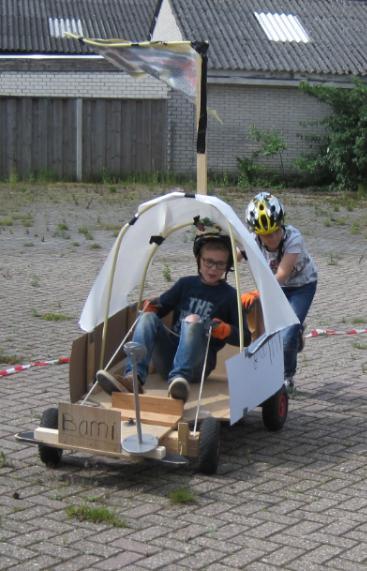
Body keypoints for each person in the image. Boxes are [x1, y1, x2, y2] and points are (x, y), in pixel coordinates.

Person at [98, 219, 251, 403]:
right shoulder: (185, 284)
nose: (213, 269)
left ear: (228, 266)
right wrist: (153, 306)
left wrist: (225, 330)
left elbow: (245, 338)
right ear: (198, 259)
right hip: (168, 358)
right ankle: (134, 378)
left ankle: (180, 381)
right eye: (208, 262)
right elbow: (161, 308)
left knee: (193, 319)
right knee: (147, 317)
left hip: (199, 364)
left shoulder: (229, 296)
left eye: (220, 264)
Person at [242, 192, 317, 392]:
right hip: (277, 288)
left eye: (275, 231)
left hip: (302, 286)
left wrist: (259, 294)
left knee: (286, 334)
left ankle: (287, 377)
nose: (272, 238)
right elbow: (239, 253)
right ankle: (295, 334)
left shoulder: (294, 239)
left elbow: (282, 274)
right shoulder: (253, 240)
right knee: (272, 333)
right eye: (266, 234)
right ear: (257, 233)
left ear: (281, 224)